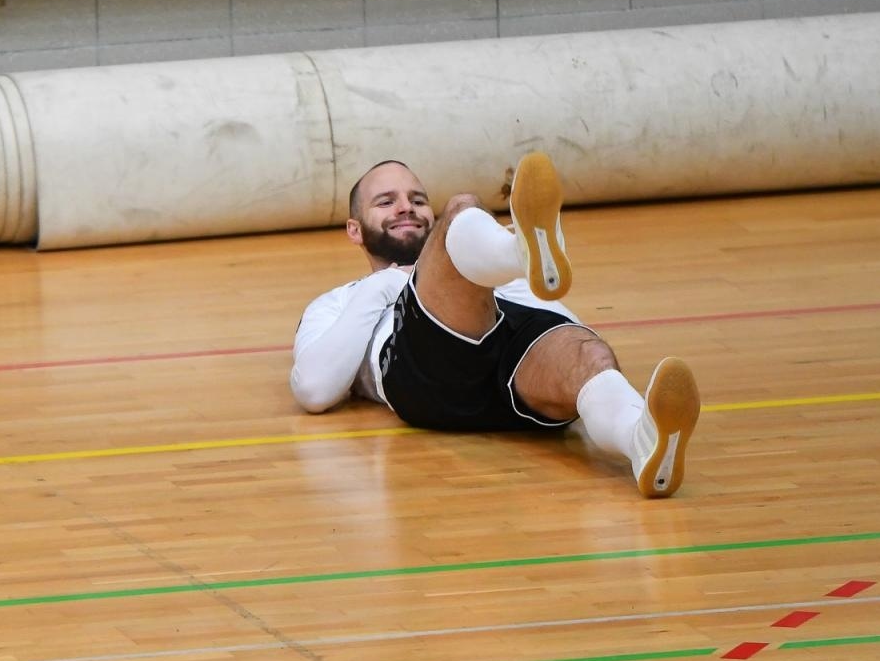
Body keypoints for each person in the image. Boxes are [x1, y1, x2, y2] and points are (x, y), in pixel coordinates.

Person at [290, 152, 700, 498]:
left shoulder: (506, 283)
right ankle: (516, 247)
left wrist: (583, 360)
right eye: (386, 201)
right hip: (432, 378)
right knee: (464, 206)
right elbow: (313, 390)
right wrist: (385, 284)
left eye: (417, 199)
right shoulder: (336, 301)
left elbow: (558, 324)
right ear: (354, 230)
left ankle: (642, 443)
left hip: (511, 364)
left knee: (587, 357)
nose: (406, 207)